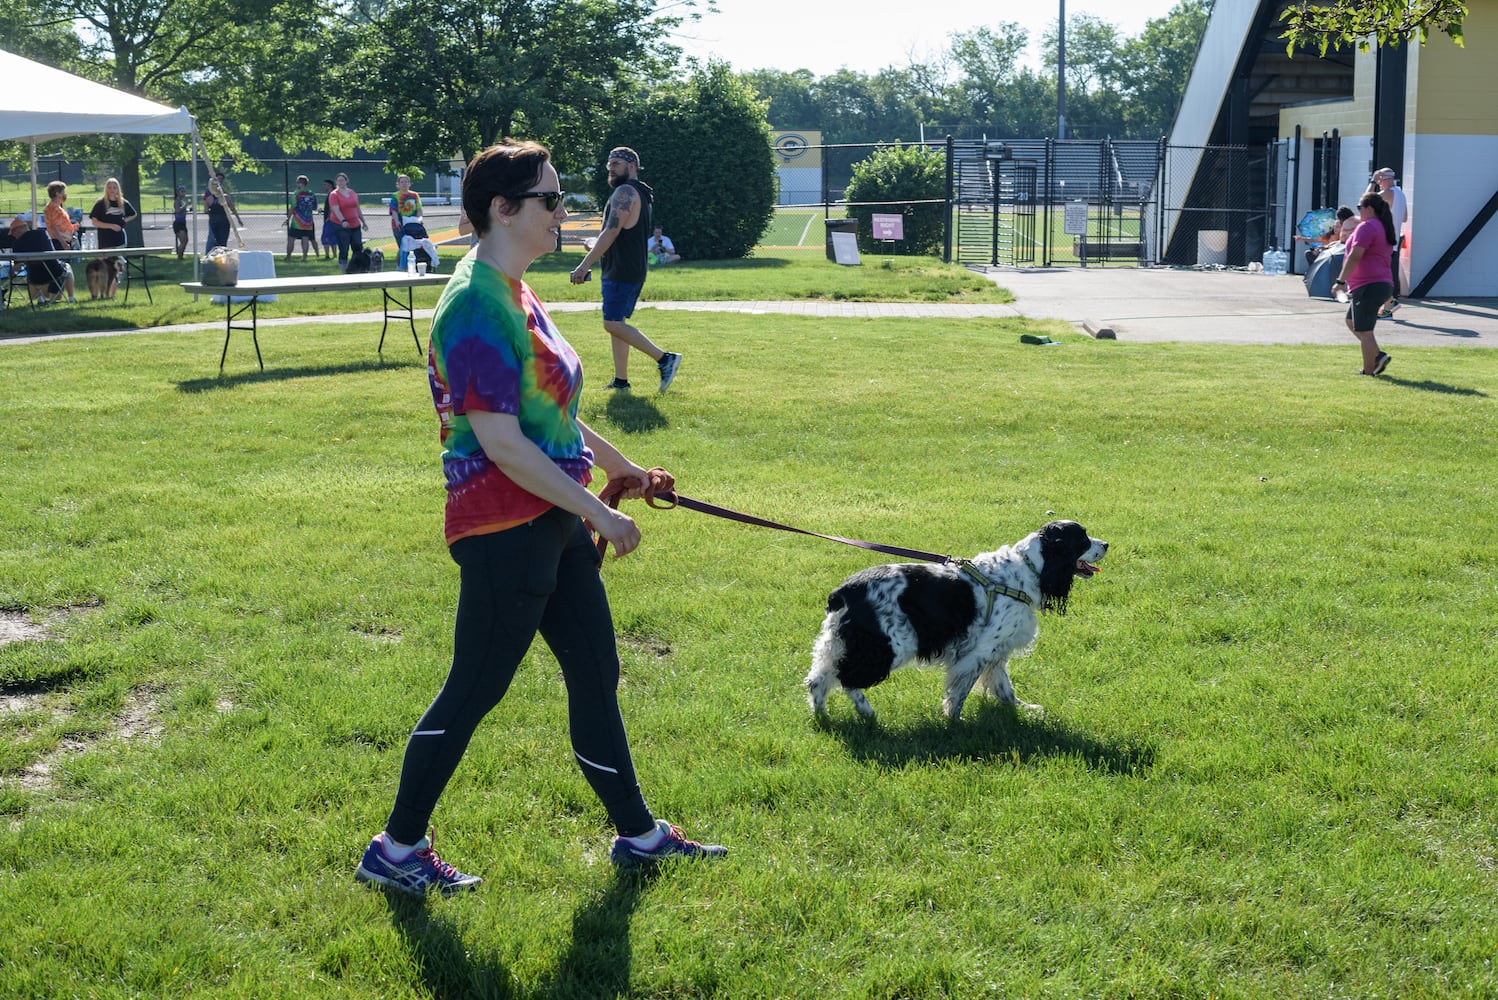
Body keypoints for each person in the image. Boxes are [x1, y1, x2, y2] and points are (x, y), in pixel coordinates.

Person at [353, 140, 725, 897]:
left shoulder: (517, 288)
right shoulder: (476, 303)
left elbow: (549, 412)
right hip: (504, 528)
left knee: (595, 673)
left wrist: (619, 467)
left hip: (550, 520)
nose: (564, 213)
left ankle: (640, 837)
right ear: (504, 208)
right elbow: (499, 440)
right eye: (552, 200)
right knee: (474, 690)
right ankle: (396, 849)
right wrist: (601, 512)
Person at [569, 147, 683, 392]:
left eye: (617, 163)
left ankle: (665, 359)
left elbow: (612, 232)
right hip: (625, 267)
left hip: (622, 270)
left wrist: (583, 265)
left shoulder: (626, 191)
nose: (611, 168)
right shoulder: (639, 192)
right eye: (609, 164)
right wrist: (593, 246)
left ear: (632, 166)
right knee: (617, 323)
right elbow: (614, 234)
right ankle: (621, 381)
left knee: (611, 324)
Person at [1332, 193, 1396, 378]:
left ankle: (1368, 372)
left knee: (1364, 331)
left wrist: (1340, 281)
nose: (1358, 211)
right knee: (1351, 321)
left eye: (1360, 207)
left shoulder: (1367, 227)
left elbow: (1355, 255)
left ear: (1370, 208)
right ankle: (1378, 355)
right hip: (1378, 283)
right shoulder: (1382, 226)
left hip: (1369, 285)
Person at [1368, 167, 1409, 317]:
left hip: (1384, 241)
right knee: (1384, 273)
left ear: (1386, 179)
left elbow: (1365, 201)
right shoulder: (1400, 194)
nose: (1378, 184)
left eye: (1379, 180)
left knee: (1380, 274)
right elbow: (1404, 217)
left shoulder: (1389, 193)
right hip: (1393, 240)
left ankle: (1389, 305)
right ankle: (1388, 305)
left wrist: (1372, 180)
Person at [88, 176, 137, 299]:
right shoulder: (100, 204)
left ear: (118, 189)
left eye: (114, 188)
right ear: (106, 189)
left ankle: (112, 295)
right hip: (105, 241)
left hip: (119, 241)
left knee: (119, 267)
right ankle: (99, 294)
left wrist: (123, 222)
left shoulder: (123, 202)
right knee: (103, 268)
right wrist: (110, 226)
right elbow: (94, 222)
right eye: (109, 187)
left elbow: (133, 214)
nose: (112, 190)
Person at [389, 173, 441, 271]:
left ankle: (416, 265)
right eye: (402, 182)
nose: (404, 184)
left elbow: (419, 209)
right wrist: (396, 221)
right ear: (398, 184)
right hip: (400, 226)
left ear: (409, 183)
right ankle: (400, 266)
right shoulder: (395, 196)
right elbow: (394, 211)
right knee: (402, 246)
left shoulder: (414, 195)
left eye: (406, 182)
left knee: (415, 246)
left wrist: (420, 219)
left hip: (413, 225)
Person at [40, 182, 79, 303]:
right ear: (57, 193)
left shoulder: (54, 207)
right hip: (58, 242)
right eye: (63, 192)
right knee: (61, 270)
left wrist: (72, 228)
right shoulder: (54, 208)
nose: (64, 195)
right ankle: (54, 295)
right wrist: (63, 243)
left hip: (61, 239)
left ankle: (52, 295)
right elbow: (55, 228)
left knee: (59, 268)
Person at [328, 171, 368, 272]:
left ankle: (358, 269)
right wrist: (343, 220)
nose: (340, 182)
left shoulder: (352, 193)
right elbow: (335, 209)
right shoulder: (334, 194)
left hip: (355, 225)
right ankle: (344, 272)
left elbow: (357, 208)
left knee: (358, 247)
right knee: (344, 249)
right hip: (341, 226)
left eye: (342, 180)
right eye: (338, 180)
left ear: (346, 181)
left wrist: (363, 222)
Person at [203, 172, 243, 253]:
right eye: (218, 179)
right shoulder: (209, 197)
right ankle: (210, 256)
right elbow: (206, 210)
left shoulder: (224, 196)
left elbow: (232, 208)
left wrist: (238, 219)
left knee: (221, 242)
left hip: (223, 222)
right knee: (213, 241)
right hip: (214, 222)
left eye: (221, 179)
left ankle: (221, 257)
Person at [285, 174, 319, 261]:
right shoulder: (312, 193)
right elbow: (315, 207)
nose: (296, 184)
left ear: (301, 183)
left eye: (297, 182)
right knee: (305, 238)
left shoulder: (296, 193)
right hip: (308, 221)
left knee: (291, 238)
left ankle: (288, 256)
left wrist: (288, 218)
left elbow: (293, 207)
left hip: (297, 221)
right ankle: (304, 257)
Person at [320, 179, 338, 259]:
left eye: (325, 185)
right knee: (333, 238)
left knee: (326, 237)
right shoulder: (333, 194)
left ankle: (327, 255)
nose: (324, 186)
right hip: (334, 220)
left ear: (330, 185)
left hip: (330, 220)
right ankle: (334, 255)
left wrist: (329, 217)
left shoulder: (331, 194)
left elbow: (332, 207)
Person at [172, 186, 190, 259]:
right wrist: (185, 205)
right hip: (178, 223)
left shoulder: (182, 201)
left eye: (184, 191)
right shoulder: (177, 201)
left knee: (185, 241)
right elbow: (178, 210)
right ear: (178, 193)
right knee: (183, 241)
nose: (184, 193)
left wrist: (188, 209)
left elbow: (182, 210)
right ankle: (179, 257)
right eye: (182, 191)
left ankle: (181, 256)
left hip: (183, 223)